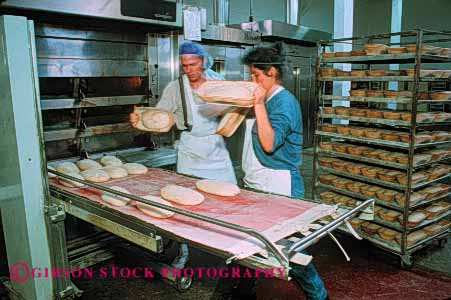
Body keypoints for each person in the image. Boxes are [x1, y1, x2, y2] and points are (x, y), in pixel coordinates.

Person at [237, 45, 328, 300]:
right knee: (250, 244)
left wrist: (257, 104)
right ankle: (244, 292)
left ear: (272, 72)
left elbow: (269, 143)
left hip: (280, 186)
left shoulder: (284, 103)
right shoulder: (263, 98)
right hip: (256, 181)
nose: (251, 81)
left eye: (255, 75)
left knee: (289, 252)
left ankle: (319, 296)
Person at [130, 41, 237, 184]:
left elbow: (232, 110)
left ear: (203, 61)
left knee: (226, 197)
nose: (189, 70)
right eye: (185, 66)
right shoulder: (175, 88)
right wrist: (142, 121)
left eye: (193, 64)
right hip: (190, 153)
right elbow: (159, 120)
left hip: (217, 150)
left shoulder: (217, 81)